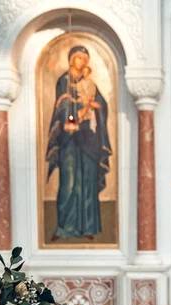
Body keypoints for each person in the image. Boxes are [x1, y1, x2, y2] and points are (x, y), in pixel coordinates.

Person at [46, 45, 111, 241]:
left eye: (85, 58)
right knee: (69, 182)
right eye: (79, 57)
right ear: (71, 59)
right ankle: (64, 227)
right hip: (70, 138)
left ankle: (88, 227)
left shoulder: (90, 83)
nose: (82, 61)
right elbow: (62, 104)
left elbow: (102, 105)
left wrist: (96, 107)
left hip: (89, 138)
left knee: (88, 181)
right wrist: (77, 111)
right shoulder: (64, 82)